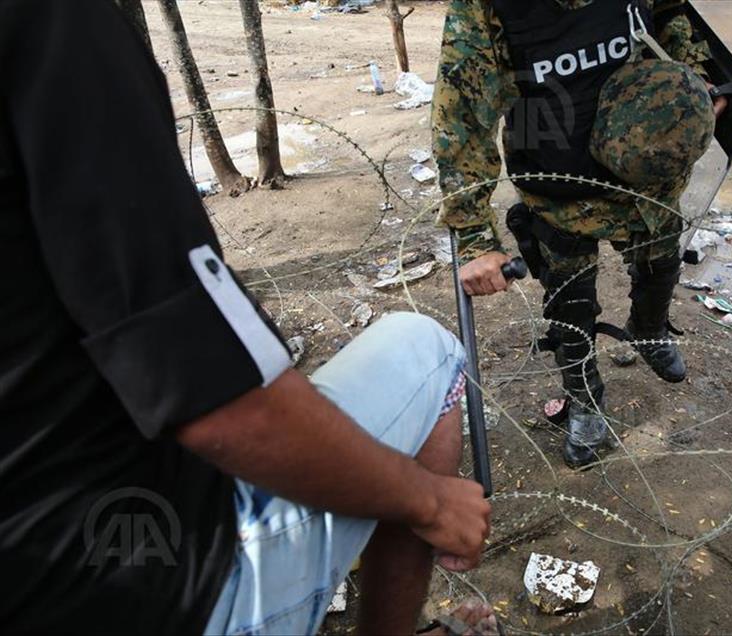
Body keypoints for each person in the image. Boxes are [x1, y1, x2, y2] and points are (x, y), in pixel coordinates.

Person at [0, 1, 495, 634]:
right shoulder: (55, 22)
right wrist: (431, 502)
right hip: (158, 587)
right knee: (428, 350)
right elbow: (221, 403)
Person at [433, 0, 725, 468]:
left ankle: (648, 330)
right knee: (571, 304)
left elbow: (672, 16)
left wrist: (694, 83)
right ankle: (585, 401)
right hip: (560, 185)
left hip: (645, 177)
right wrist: (473, 237)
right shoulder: (485, 7)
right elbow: (463, 117)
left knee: (660, 263)